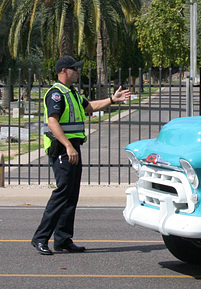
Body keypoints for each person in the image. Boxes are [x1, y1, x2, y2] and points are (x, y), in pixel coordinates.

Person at [31, 56, 131, 255]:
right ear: (64, 71)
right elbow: (52, 122)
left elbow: (90, 107)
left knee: (71, 195)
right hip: (62, 149)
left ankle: (63, 239)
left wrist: (112, 99)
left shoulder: (71, 93)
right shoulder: (56, 94)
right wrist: (68, 146)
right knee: (62, 193)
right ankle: (40, 238)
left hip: (73, 147)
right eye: (75, 69)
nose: (78, 72)